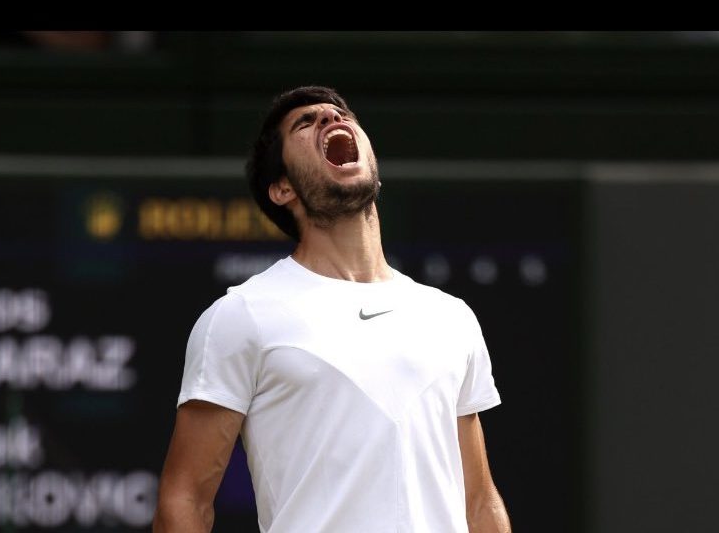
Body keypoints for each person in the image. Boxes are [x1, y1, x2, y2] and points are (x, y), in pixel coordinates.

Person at [152, 85, 511, 532]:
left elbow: (479, 500)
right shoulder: (242, 315)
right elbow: (184, 499)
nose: (329, 118)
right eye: (305, 123)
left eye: (340, 113)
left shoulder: (450, 316)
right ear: (282, 189)